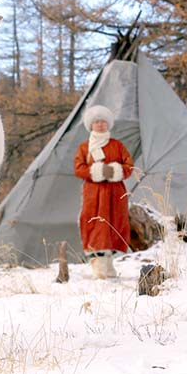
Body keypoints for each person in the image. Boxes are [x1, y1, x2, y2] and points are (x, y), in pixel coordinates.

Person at [73, 105, 134, 279]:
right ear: (91, 125)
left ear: (108, 125)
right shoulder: (85, 148)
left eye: (103, 122)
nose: (100, 125)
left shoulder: (118, 145)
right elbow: (79, 169)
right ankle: (98, 266)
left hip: (115, 193)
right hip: (94, 193)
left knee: (114, 224)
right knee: (95, 224)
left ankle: (109, 263)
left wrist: (115, 171)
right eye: (97, 122)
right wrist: (97, 171)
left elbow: (129, 166)